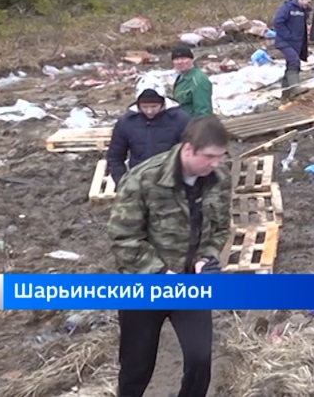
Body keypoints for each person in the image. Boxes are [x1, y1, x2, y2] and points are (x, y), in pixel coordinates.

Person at [108, 115, 231, 397]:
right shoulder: (143, 180)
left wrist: (206, 257)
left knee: (200, 360)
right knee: (136, 368)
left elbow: (220, 226)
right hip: (143, 286)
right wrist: (161, 274)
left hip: (189, 285)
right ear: (188, 149)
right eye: (209, 157)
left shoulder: (218, 179)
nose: (215, 164)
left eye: (219, 156)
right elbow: (123, 238)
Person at [105, 88, 190, 185]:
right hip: (138, 180)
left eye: (154, 106)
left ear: (163, 103)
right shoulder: (126, 122)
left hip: (170, 180)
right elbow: (115, 156)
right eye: (144, 107)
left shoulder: (180, 120)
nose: (149, 111)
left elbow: (189, 153)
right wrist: (122, 181)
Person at [272, 0, 314, 98]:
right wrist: (288, 35)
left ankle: (285, 96)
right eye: (308, 2)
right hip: (284, 41)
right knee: (294, 61)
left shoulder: (304, 12)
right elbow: (277, 21)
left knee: (290, 67)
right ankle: (295, 87)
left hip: (296, 43)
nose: (308, 5)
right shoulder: (288, 8)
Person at [171, 46, 213, 116]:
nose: (180, 62)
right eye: (176, 59)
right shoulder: (180, 77)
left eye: (183, 58)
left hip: (193, 124)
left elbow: (204, 111)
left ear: (192, 60)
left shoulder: (198, 80)